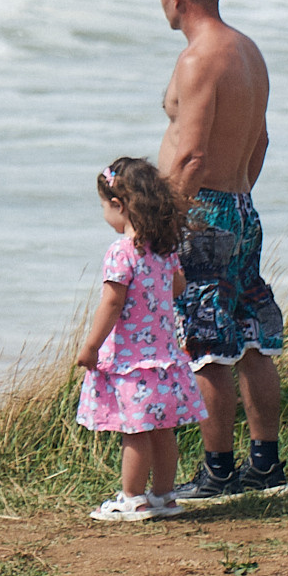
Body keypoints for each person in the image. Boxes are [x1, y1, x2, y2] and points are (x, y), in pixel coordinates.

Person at [156, 0, 287, 502]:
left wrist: (165, 224)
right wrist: (238, 200)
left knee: (206, 342)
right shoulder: (248, 52)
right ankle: (265, 466)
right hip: (241, 205)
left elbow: (189, 156)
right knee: (251, 339)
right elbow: (259, 141)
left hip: (202, 211)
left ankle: (218, 471)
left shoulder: (198, 59)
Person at [74, 155, 207, 520]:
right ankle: (164, 495)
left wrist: (91, 346)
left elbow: (112, 301)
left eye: (104, 206)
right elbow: (178, 288)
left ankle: (132, 498)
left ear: (119, 205)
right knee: (163, 430)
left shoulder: (121, 252)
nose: (104, 214)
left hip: (131, 361)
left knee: (134, 432)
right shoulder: (164, 252)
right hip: (164, 357)